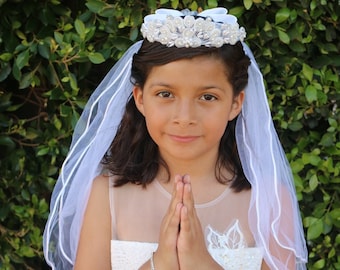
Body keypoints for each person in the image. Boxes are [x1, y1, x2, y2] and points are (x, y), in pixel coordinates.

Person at [43, 7, 308, 270]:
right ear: (140, 99)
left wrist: (202, 263)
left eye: (207, 97)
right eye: (165, 94)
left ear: (235, 103)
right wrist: (160, 263)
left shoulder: (270, 202)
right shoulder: (106, 195)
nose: (184, 117)